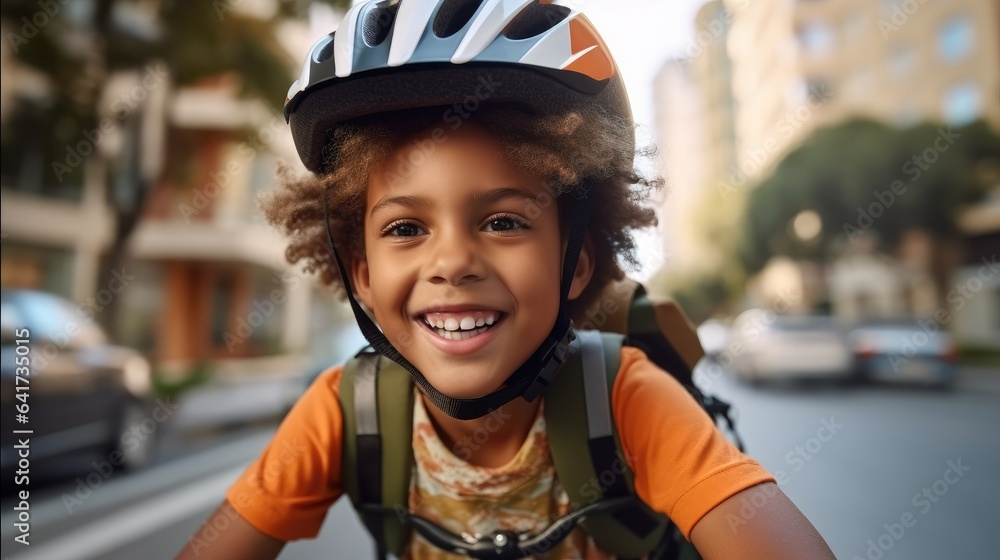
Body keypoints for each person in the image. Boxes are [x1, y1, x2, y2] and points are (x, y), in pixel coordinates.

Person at [175, 2, 836, 559]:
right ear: (363, 275)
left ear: (577, 261)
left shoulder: (625, 399)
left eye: (503, 221)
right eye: (406, 229)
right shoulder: (349, 413)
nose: (453, 261)